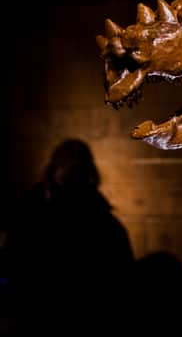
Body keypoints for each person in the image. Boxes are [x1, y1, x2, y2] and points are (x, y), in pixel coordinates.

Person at [3, 138, 134, 330]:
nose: (73, 173)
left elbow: (120, 281)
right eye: (68, 165)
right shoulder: (30, 217)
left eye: (78, 169)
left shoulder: (104, 225)